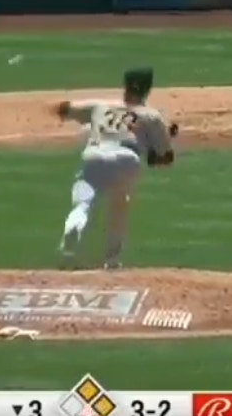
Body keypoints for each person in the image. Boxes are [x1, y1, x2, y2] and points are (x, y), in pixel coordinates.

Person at [54, 67, 177, 269]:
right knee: (119, 209)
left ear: (125, 85)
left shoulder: (100, 105)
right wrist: (158, 144)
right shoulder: (152, 116)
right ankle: (111, 261)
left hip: (94, 155)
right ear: (148, 89)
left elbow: (64, 108)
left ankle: (70, 244)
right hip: (126, 159)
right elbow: (164, 159)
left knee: (82, 205)